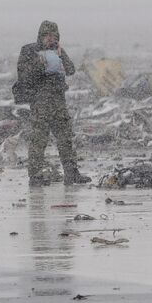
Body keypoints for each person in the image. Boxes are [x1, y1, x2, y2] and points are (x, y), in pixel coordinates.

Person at [15, 20, 90, 186]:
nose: (49, 38)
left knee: (65, 139)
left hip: (58, 102)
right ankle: (35, 177)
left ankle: (71, 174)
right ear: (40, 36)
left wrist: (60, 54)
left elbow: (70, 69)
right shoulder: (29, 51)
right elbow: (24, 76)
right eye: (46, 35)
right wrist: (39, 64)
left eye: (53, 36)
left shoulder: (57, 50)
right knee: (38, 140)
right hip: (40, 103)